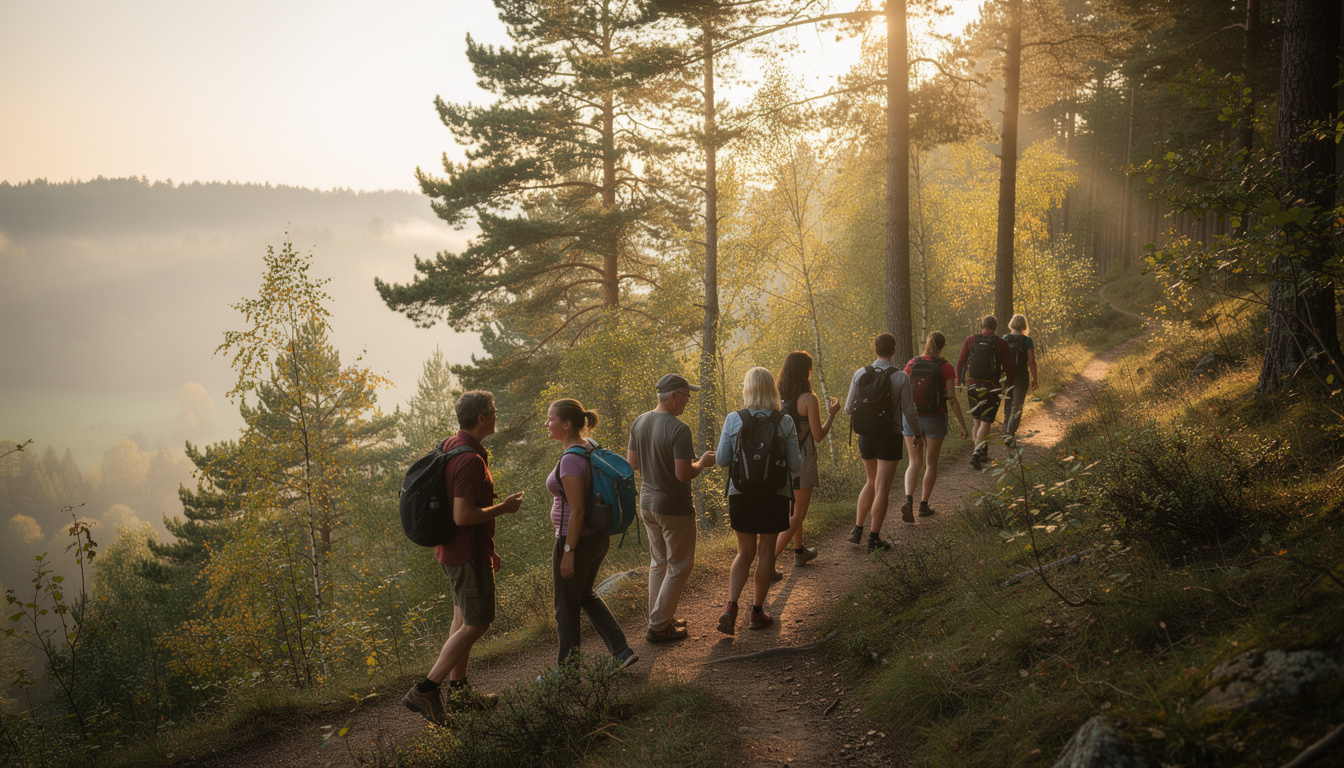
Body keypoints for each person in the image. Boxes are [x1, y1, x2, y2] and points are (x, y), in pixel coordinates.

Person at [403, 391, 523, 726]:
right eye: (494, 411)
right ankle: (426, 690)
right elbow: (463, 515)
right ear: (482, 418)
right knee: (477, 623)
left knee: (462, 619)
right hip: (467, 553)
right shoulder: (470, 460)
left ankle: (460, 693)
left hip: (454, 550)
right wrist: (504, 508)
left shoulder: (450, 445)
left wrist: (489, 547)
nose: (497, 415)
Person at [544, 398, 638, 671]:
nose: (547, 424)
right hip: (597, 538)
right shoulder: (590, 447)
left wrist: (568, 552)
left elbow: (578, 511)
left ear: (566, 424)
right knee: (585, 596)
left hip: (576, 541)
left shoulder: (571, 460)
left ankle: (567, 674)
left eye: (550, 419)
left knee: (566, 608)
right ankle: (621, 651)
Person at [627, 374, 717, 643]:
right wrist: (702, 463)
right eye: (686, 397)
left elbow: (632, 463)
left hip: (647, 503)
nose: (687, 402)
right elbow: (683, 473)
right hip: (674, 506)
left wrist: (655, 471)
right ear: (674, 397)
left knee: (659, 562)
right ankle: (658, 625)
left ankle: (661, 617)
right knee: (680, 565)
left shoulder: (640, 421)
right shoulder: (679, 429)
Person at [714, 367, 801, 634]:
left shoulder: (734, 419)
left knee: (744, 552)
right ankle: (757, 612)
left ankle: (731, 607)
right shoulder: (784, 421)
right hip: (774, 494)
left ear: (747, 389)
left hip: (741, 494)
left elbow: (721, 460)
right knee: (765, 553)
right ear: (772, 389)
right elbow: (795, 465)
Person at [844, 333, 924, 553]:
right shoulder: (901, 377)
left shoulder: (860, 373)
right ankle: (874, 539)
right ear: (894, 350)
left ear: (875, 350)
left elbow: (849, 409)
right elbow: (909, 411)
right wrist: (917, 434)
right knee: (883, 488)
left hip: (865, 435)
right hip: (889, 435)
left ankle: (857, 530)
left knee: (871, 481)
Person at [774, 351, 841, 571]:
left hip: (780, 461)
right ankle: (768, 561)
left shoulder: (777, 398)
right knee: (798, 513)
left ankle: (799, 552)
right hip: (802, 461)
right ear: (807, 371)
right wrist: (831, 414)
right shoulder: (808, 399)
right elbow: (818, 435)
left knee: (791, 511)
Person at [901, 332, 970, 520]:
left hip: (912, 419)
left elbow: (905, 393)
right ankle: (923, 505)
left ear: (926, 344)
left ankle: (908, 500)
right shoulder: (946, 367)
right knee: (931, 463)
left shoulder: (912, 363)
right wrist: (963, 426)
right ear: (942, 346)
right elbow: (951, 399)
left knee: (914, 462)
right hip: (935, 419)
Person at [956, 316, 1016, 470]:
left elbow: (960, 363)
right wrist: (1008, 387)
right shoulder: (1001, 343)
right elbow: (1009, 369)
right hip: (991, 387)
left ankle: (982, 454)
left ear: (981, 326)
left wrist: (959, 382)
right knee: (986, 422)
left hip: (972, 386)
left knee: (977, 422)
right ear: (995, 327)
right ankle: (976, 454)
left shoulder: (971, 340)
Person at [1001, 314, 1039, 440]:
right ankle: (1009, 432)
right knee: (1017, 405)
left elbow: (1001, 359)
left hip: (1007, 377)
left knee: (1008, 403)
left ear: (1011, 324)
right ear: (1024, 325)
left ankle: (1006, 429)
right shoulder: (1027, 341)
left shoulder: (1005, 338)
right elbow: (1031, 361)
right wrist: (1035, 379)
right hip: (1021, 376)